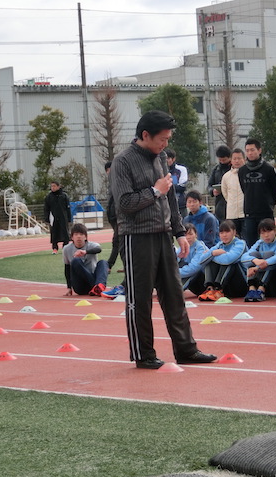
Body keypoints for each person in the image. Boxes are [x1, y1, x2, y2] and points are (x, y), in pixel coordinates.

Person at [110, 109, 216, 369]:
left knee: (174, 296)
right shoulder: (122, 162)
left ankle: (186, 350)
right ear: (145, 135)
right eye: (162, 139)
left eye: (168, 139)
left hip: (163, 236)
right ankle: (144, 354)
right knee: (140, 299)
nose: (166, 144)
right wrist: (154, 190)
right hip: (136, 238)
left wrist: (179, 232)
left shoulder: (161, 158)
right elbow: (124, 204)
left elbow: (169, 198)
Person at [239, 138, 276, 247]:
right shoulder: (242, 171)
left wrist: (270, 204)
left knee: (269, 242)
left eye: (252, 150)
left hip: (266, 212)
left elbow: (275, 189)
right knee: (251, 244)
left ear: (259, 150)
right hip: (249, 213)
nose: (250, 153)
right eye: (247, 150)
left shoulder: (269, 169)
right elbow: (244, 189)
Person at [198, 220, 248, 301]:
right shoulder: (220, 245)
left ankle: (219, 289)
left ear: (234, 232)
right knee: (209, 261)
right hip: (228, 285)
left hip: (241, 283)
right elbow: (201, 260)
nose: (224, 235)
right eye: (221, 233)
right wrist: (213, 253)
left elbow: (228, 259)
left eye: (227, 232)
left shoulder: (240, 244)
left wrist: (211, 254)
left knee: (231, 263)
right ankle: (210, 288)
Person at [241, 218, 276, 302]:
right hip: (258, 276)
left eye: (268, 231)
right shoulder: (259, 243)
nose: (266, 235)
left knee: (268, 255)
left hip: (273, 280)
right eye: (263, 233)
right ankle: (252, 289)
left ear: (275, 231)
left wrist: (258, 266)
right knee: (253, 255)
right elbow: (244, 257)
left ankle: (261, 289)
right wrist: (254, 260)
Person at [63, 223, 109, 296]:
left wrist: (86, 252)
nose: (79, 237)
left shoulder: (92, 245)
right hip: (80, 285)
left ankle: (99, 286)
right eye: (76, 234)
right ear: (72, 237)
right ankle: (96, 287)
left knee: (103, 262)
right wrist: (69, 288)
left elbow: (99, 249)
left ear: (85, 237)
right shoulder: (66, 249)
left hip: (93, 278)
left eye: (81, 234)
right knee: (75, 261)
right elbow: (67, 268)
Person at [177, 223, 209, 295]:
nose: (188, 237)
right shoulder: (181, 248)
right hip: (193, 284)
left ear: (196, 235)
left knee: (192, 270)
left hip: (203, 281)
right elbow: (174, 261)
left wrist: (175, 273)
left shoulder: (200, 248)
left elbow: (194, 268)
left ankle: (175, 292)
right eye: (185, 235)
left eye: (190, 234)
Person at [220, 147, 246, 236]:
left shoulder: (248, 174)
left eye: (239, 158)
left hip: (246, 214)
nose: (237, 161)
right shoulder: (226, 176)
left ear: (244, 159)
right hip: (232, 214)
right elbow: (225, 193)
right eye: (234, 159)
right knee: (233, 239)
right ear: (231, 160)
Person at [44, 181, 72, 254]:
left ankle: (65, 247)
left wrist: (69, 218)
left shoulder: (64, 196)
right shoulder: (49, 197)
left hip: (63, 217)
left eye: (54, 186)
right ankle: (55, 248)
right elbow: (46, 208)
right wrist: (47, 218)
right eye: (51, 186)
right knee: (54, 233)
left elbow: (68, 208)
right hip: (53, 218)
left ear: (58, 186)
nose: (52, 188)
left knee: (65, 233)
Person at [104, 161, 122, 273]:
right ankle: (128, 265)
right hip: (113, 216)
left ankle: (109, 265)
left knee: (116, 241)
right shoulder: (111, 184)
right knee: (121, 242)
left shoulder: (119, 182)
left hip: (119, 216)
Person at [208, 145, 232, 223]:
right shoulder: (216, 169)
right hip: (219, 205)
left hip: (232, 204)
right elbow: (209, 186)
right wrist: (212, 191)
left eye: (224, 160)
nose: (222, 162)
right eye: (220, 160)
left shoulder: (234, 169)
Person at [165, 148, 188, 217]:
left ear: (173, 159)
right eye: (165, 158)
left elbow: (182, 186)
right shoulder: (160, 170)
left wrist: (168, 186)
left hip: (180, 204)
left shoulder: (181, 169)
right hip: (166, 205)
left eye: (168, 158)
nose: (166, 161)